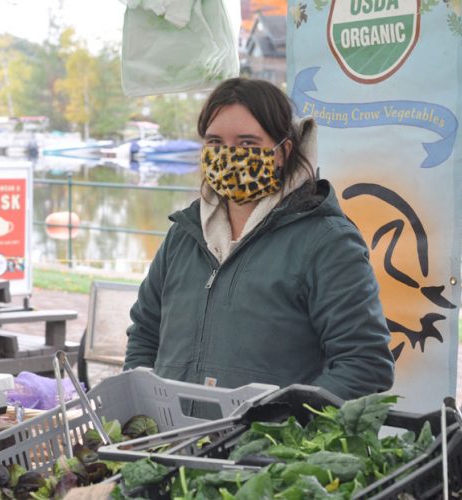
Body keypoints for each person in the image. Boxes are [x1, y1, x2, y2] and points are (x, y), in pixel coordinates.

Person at [123, 77, 394, 400]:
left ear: (283, 152)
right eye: (215, 142)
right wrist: (143, 407)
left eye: (248, 144)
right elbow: (144, 334)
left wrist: (284, 420)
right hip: (173, 431)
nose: (229, 155)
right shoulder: (183, 236)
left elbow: (364, 364)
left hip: (270, 435)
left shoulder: (327, 243)